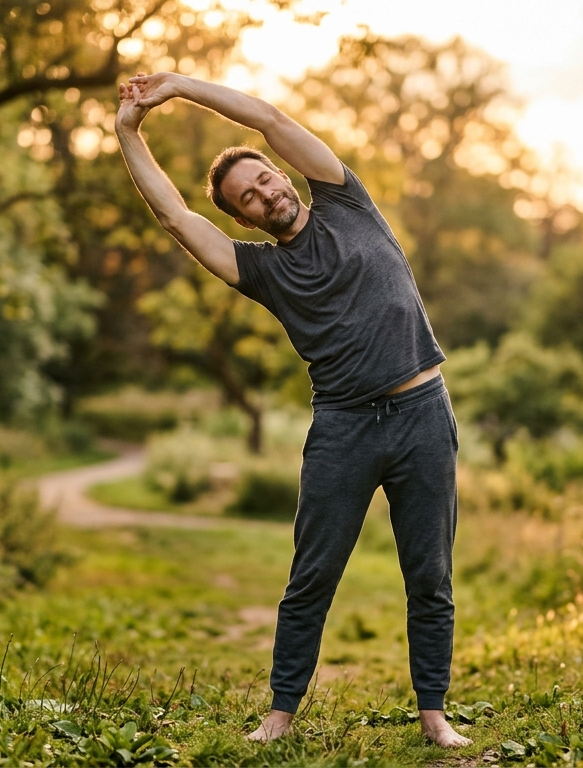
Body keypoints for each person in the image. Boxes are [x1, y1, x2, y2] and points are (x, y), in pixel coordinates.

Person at [115, 71, 469, 749]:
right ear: (242, 217)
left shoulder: (347, 201)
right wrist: (128, 131)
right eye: (248, 197)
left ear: (283, 174)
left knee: (430, 575)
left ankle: (434, 715)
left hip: (423, 411)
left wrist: (181, 87)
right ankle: (279, 713)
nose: (267, 193)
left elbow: (268, 118)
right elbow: (173, 216)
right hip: (344, 427)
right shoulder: (260, 271)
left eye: (266, 179)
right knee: (311, 576)